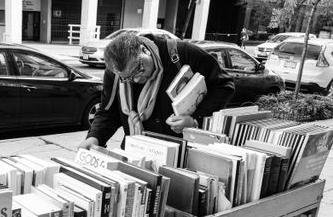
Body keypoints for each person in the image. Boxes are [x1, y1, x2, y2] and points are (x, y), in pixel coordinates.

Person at [78, 32, 235, 150]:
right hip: (136, 150)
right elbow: (108, 113)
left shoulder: (182, 54)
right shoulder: (115, 74)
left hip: (181, 152)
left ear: (143, 49)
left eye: (139, 69)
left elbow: (224, 85)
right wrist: (95, 137)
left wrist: (195, 119)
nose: (137, 79)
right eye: (128, 78)